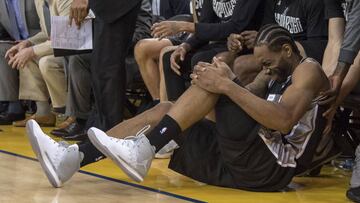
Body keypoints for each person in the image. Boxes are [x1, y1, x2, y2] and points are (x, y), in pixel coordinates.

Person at [27, 25, 330, 191]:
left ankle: (144, 149)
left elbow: (284, 121)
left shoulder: (308, 71)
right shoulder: (274, 70)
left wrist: (224, 85)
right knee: (165, 109)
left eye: (268, 63)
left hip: (271, 168)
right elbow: (245, 100)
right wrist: (230, 79)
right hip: (248, 160)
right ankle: (72, 157)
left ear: (288, 50)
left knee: (214, 85)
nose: (265, 69)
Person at [162, 0, 274, 101]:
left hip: (242, 43)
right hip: (223, 41)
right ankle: (173, 109)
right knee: (170, 57)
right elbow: (205, 24)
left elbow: (235, 26)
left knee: (206, 61)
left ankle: (209, 118)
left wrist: (185, 26)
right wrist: (185, 46)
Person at [69, 0, 141, 131]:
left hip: (114, 7)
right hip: (108, 8)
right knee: (102, 67)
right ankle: (101, 130)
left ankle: (108, 133)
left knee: (107, 67)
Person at [224, 0, 328, 86]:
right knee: (232, 61)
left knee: (242, 65)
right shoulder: (272, 2)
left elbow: (317, 46)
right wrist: (238, 40)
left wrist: (269, 42)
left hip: (298, 56)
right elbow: (267, 31)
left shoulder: (314, 3)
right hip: (274, 52)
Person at [5, 0, 71, 127]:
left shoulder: (65, 1)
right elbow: (45, 33)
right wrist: (27, 43)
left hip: (72, 50)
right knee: (24, 57)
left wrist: (32, 50)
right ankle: (43, 113)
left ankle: (67, 113)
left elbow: (64, 38)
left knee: (46, 62)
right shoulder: (39, 1)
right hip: (56, 47)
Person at [0, 0, 40, 125]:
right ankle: (12, 106)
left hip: (41, 40)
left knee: (20, 53)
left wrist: (29, 43)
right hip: (17, 41)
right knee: (3, 50)